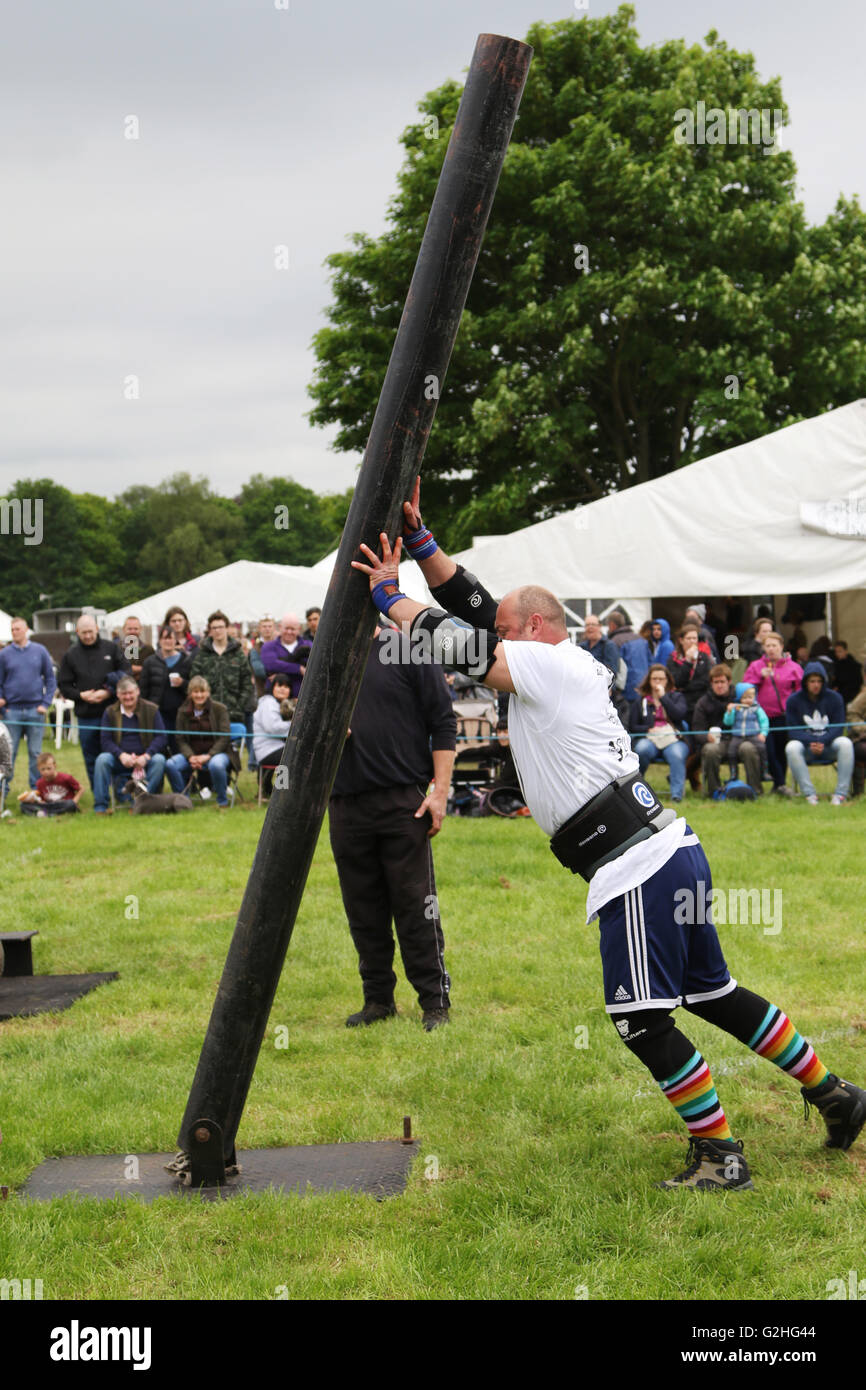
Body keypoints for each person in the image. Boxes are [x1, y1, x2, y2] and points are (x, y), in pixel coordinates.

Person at [347, 478, 866, 1189]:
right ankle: (835, 1095)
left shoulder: (547, 660)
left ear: (533, 628)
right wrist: (422, 544)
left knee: (640, 1021)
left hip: (636, 868)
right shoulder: (554, 659)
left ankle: (721, 1155)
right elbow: (476, 607)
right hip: (666, 850)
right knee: (712, 993)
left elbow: (466, 645)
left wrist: (389, 594)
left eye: (505, 627)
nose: (496, 633)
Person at [328, 626, 456, 1032]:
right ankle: (378, 999)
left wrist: (440, 791)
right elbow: (307, 719)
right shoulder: (328, 654)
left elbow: (443, 721)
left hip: (403, 798)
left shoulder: (409, 647)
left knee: (416, 905)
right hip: (346, 801)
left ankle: (435, 1002)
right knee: (362, 909)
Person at [57, 614, 129, 789]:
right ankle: (99, 794)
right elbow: (64, 685)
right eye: (83, 633)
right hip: (87, 715)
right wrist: (81, 695)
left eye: (90, 631)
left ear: (97, 629)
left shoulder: (112, 648)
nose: (88, 636)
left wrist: (108, 692)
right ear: (77, 632)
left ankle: (121, 792)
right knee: (91, 757)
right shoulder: (70, 655)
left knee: (116, 755)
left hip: (112, 713)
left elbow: (126, 673)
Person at [93, 677, 168, 814]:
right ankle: (101, 806)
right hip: (120, 759)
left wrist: (146, 756)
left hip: (144, 758)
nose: (128, 697)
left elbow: (161, 737)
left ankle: (140, 804)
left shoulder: (152, 709)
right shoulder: (110, 712)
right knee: (102, 760)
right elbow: (105, 740)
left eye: (130, 693)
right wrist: (121, 755)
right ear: (117, 694)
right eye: (124, 694)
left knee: (159, 760)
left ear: (137, 691)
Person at [743, 633, 803, 796]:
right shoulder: (755, 666)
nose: (771, 649)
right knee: (768, 750)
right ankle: (781, 783)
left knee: (782, 750)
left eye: (774, 645)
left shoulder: (794, 667)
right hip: (761, 718)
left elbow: (800, 691)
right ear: (763, 648)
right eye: (767, 646)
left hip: (784, 716)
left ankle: (779, 784)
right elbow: (745, 690)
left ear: (782, 647)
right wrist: (759, 677)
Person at [0, 616, 57, 788]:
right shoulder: (4, 654)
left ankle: (36, 790)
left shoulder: (40, 651)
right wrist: (2, 701)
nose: (14, 632)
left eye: (18, 629)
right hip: (12, 712)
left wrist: (46, 704)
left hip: (35, 710)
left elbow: (50, 679)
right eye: (12, 630)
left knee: (35, 753)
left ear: (26, 630)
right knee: (8, 753)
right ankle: (3, 791)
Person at [784, 664, 853, 805]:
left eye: (819, 681)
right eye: (812, 681)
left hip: (828, 746)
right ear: (805, 682)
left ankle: (840, 794)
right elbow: (793, 731)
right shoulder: (793, 700)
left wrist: (822, 741)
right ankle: (809, 795)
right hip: (806, 748)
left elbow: (839, 728)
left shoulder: (835, 698)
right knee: (791, 747)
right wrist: (812, 741)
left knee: (845, 743)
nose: (816, 685)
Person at [166, 676, 238, 810]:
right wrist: (190, 756)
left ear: (208, 692)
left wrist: (208, 756)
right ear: (190, 693)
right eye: (195, 692)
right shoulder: (182, 711)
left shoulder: (220, 709)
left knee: (216, 765)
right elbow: (180, 738)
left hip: (217, 753)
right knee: (171, 764)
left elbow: (224, 737)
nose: (199, 695)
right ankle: (183, 800)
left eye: (202, 691)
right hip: (192, 754)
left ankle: (222, 801)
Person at [628, 665, 689, 802]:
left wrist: (663, 698)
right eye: (654, 678)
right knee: (641, 749)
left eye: (661, 679)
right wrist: (648, 730)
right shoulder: (641, 701)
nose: (657, 682)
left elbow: (679, 715)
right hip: (650, 739)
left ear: (667, 680)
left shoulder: (677, 697)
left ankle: (676, 796)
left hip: (673, 739)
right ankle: (637, 790)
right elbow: (632, 726)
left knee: (677, 754)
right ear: (649, 680)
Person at [189, 611, 256, 730]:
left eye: (220, 627)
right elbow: (194, 681)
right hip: (208, 713)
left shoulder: (238, 653)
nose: (217, 630)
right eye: (214, 628)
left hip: (234, 713)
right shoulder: (202, 654)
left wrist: (238, 706)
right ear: (210, 630)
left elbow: (247, 683)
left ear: (226, 628)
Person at [138, 627, 192, 745]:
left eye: (170, 638)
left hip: (180, 714)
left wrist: (182, 683)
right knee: (160, 747)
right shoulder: (150, 662)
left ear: (176, 640)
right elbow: (143, 690)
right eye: (164, 638)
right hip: (157, 714)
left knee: (178, 746)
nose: (168, 641)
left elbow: (193, 688)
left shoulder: (186, 660)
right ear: (159, 640)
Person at [252, 675, 294, 796]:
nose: (282, 689)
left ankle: (271, 790)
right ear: (273, 687)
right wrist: (295, 725)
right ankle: (282, 793)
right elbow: (273, 728)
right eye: (279, 685)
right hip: (267, 750)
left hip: (276, 748)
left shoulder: (280, 704)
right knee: (291, 755)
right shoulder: (268, 703)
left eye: (286, 687)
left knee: (289, 752)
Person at [722, 683, 768, 785]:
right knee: (731, 752)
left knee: (762, 748)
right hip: (737, 736)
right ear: (739, 698)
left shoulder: (757, 708)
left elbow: (764, 721)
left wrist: (763, 733)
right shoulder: (736, 708)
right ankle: (733, 774)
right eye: (745, 697)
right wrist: (729, 712)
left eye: (750, 697)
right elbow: (728, 722)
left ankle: (764, 772)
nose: (748, 700)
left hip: (753, 735)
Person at [260, 614, 312, 699]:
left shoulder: (309, 645)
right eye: (286, 628)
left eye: (292, 629)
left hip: (302, 698)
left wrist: (279, 672)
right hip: (275, 700)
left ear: (299, 629)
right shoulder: (268, 646)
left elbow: (312, 668)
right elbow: (271, 665)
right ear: (280, 627)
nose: (289, 632)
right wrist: (299, 669)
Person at [18, 751, 82, 815]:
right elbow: (42, 799)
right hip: (49, 805)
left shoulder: (66, 778)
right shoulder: (39, 783)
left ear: (55, 766)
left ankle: (45, 813)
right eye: (43, 769)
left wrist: (75, 801)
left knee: (70, 804)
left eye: (49, 768)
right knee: (23, 805)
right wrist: (34, 800)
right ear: (38, 769)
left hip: (63, 803)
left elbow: (81, 789)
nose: (46, 772)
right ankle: (50, 813)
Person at [606, 607, 650, 703]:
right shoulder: (641, 639)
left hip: (627, 691)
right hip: (645, 687)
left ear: (612, 625)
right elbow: (651, 662)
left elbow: (616, 668)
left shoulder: (614, 642)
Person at [115, 615, 155, 680]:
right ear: (124, 629)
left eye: (136, 629)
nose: (133, 632)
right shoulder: (116, 648)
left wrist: (131, 669)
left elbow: (154, 669)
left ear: (140, 629)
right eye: (129, 629)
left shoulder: (148, 649)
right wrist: (141, 669)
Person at [832, 640, 863, 704]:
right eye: (836, 652)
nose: (837, 654)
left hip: (852, 696)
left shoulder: (854, 665)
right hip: (840, 696)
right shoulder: (836, 665)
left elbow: (858, 682)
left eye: (840, 651)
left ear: (846, 651)